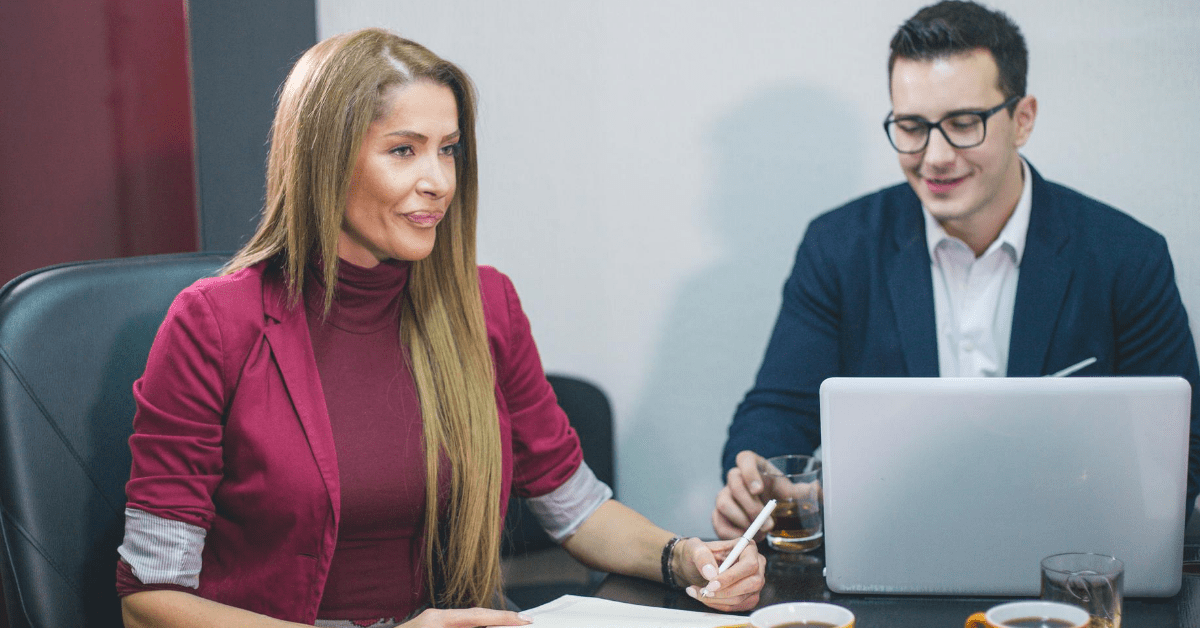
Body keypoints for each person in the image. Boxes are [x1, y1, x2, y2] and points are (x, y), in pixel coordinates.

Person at [116, 28, 764, 628]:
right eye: (403, 151)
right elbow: (149, 599)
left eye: (447, 151)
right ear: (325, 160)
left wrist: (685, 558)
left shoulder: (486, 306)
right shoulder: (213, 324)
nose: (438, 182)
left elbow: (577, 509)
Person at [714, 0, 1200, 540]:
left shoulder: (1125, 256)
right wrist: (759, 479)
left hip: (1070, 555)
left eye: (963, 124)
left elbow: (1182, 449)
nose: (936, 156)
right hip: (891, 546)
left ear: (1023, 119)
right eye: (912, 127)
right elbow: (779, 408)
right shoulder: (839, 247)